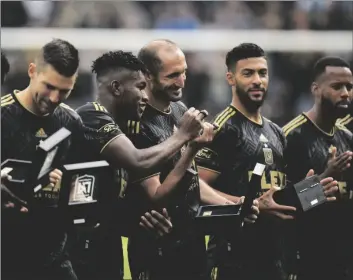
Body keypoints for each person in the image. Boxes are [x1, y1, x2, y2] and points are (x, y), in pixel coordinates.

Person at [196, 43, 339, 280]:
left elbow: (276, 199)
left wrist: (315, 190)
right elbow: (197, 187)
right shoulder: (223, 128)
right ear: (230, 78)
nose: (257, 80)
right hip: (233, 262)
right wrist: (246, 205)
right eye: (248, 73)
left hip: (274, 259)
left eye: (262, 73)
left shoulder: (276, 131)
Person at [70, 50, 210, 280]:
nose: (145, 96)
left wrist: (142, 216)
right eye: (139, 87)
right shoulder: (91, 116)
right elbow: (138, 161)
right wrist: (182, 135)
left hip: (108, 244)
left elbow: (131, 192)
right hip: (80, 248)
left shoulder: (124, 127)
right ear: (116, 88)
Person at [126, 39, 259, 280]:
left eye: (184, 72)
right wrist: (190, 146)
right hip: (157, 248)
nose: (181, 81)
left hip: (192, 242)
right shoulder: (137, 123)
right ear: (147, 75)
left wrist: (233, 206)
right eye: (172, 75)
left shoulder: (179, 110)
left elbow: (192, 181)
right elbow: (155, 195)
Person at [1, 38, 82, 280]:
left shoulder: (71, 122)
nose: (55, 98)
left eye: (65, 91)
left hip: (54, 254)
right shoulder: (3, 116)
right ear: (32, 71)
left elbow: (80, 182)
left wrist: (66, 184)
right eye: (49, 86)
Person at [283, 56, 353, 280]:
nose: (345, 93)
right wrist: (325, 178)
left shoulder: (347, 139)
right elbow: (283, 205)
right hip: (304, 264)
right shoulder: (291, 138)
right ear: (316, 89)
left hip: (341, 263)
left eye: (349, 87)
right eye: (336, 87)